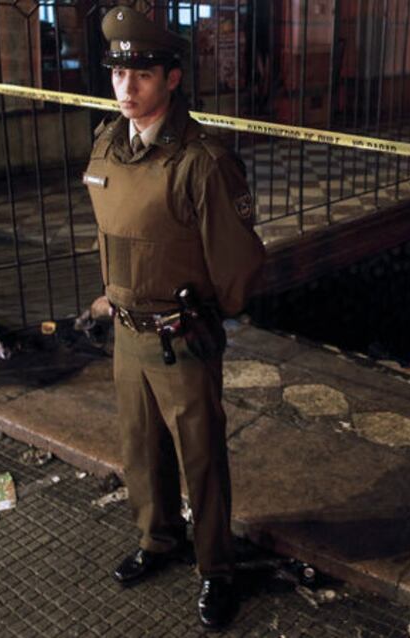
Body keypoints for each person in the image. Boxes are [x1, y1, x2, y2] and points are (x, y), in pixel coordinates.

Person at [83, 5, 265, 631]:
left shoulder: (202, 161)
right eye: (118, 74)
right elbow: (111, 235)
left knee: (200, 457)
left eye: (142, 75)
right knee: (140, 449)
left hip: (180, 336)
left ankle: (216, 567)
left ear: (173, 79)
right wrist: (112, 293)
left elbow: (238, 265)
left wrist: (205, 313)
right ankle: (156, 540)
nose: (126, 88)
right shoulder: (108, 143)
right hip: (127, 333)